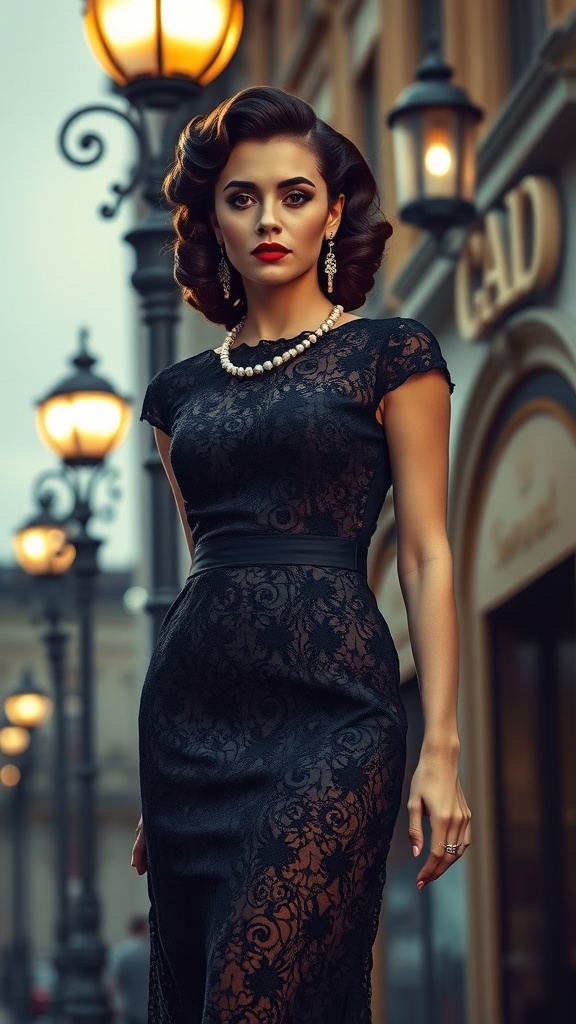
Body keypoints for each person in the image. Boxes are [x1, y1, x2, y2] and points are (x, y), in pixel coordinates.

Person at [132, 86, 471, 1024]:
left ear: (331, 214)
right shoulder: (178, 394)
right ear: (213, 221)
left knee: (257, 996)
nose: (268, 218)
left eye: (293, 195)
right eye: (242, 198)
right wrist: (154, 793)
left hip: (337, 717)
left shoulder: (391, 355)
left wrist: (440, 745)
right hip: (189, 726)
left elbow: (429, 556)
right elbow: (206, 565)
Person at [107, 915, 150, 1024]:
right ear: (144, 929)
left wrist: (116, 1003)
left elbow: (112, 981)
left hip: (126, 1008)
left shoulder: (120, 951)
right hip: (147, 1008)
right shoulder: (150, 951)